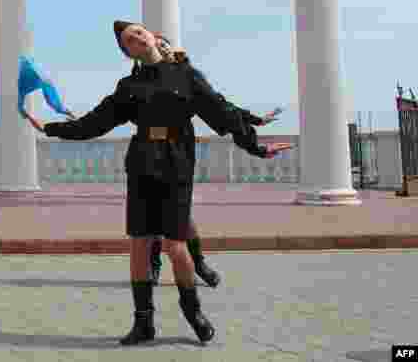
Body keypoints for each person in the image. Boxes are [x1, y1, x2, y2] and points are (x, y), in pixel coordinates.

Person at [23, 20, 292, 346]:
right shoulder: (128, 86)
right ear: (128, 53)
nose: (136, 37)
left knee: (175, 246)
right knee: (139, 243)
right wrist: (49, 129)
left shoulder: (186, 75)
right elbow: (94, 123)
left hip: (177, 163)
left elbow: (222, 113)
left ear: (150, 35)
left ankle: (192, 311)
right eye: (128, 40)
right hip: (141, 163)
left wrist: (257, 147)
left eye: (138, 31)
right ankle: (143, 322)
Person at [140, 34, 286, 288]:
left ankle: (199, 263)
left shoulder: (187, 76)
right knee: (152, 212)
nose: (160, 47)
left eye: (165, 44)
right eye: (156, 43)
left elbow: (220, 106)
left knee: (181, 214)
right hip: (147, 151)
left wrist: (255, 135)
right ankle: (153, 265)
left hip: (178, 151)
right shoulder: (136, 82)